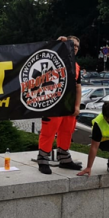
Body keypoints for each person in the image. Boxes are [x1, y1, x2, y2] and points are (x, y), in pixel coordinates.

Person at [37, 36, 83, 174]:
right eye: (72, 44)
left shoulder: (76, 65)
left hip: (68, 105)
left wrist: (77, 106)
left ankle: (64, 158)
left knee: (66, 131)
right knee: (49, 132)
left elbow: (78, 87)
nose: (74, 47)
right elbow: (47, 52)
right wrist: (58, 42)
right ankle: (43, 159)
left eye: (77, 46)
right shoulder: (55, 58)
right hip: (52, 104)